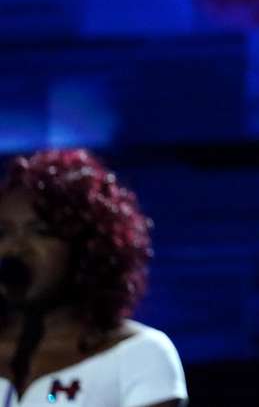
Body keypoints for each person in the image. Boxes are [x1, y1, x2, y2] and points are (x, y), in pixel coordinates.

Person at [0, 149, 188, 406]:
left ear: (87, 246)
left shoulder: (139, 354)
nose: (15, 248)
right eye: (3, 233)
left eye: (41, 232)